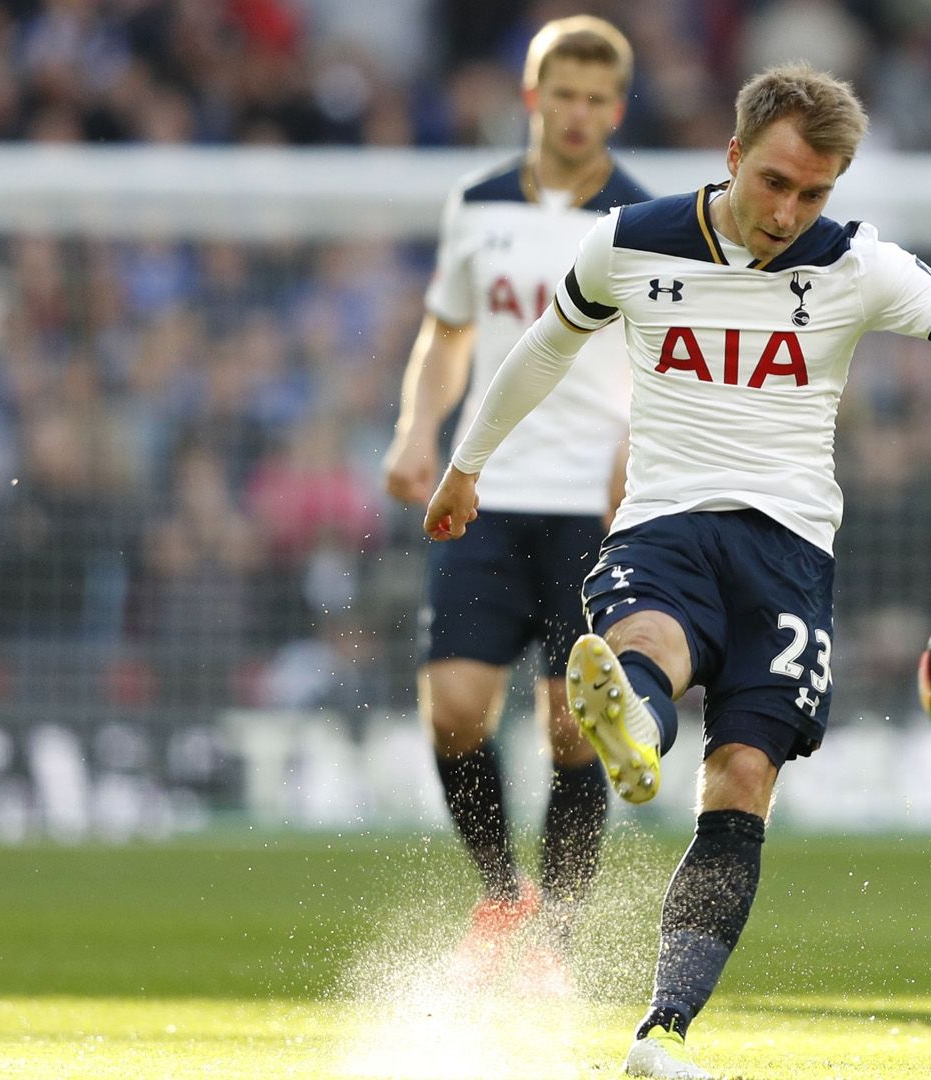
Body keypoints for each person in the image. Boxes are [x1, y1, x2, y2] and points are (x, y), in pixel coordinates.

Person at [424, 64, 931, 1079]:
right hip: (665, 522)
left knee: (743, 780)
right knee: (649, 641)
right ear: (733, 155)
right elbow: (541, 350)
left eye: (813, 193)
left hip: (789, 553)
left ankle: (662, 1033)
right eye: (774, 182)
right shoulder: (629, 241)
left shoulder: (854, 263)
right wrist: (467, 467)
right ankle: (633, 724)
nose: (788, 211)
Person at [380, 15, 649, 986]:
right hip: (487, 488)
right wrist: (418, 428)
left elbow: (664, 362)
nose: (577, 114)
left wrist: (636, 453)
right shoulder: (479, 204)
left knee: (575, 726)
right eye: (562, 95)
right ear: (534, 98)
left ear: (616, 109)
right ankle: (504, 895)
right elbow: (447, 334)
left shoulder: (644, 221)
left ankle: (561, 933)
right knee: (455, 708)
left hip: (591, 502)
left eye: (595, 99)